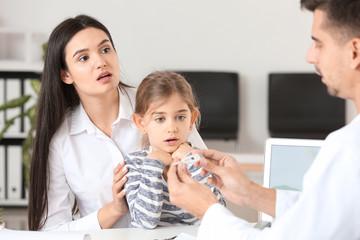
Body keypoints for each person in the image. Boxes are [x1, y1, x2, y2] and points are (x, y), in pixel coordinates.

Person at [167, 0, 360, 239]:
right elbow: (322, 216)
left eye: (318, 43)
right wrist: (249, 192)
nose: (310, 56)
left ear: (354, 52)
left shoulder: (348, 150)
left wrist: (206, 210)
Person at [28, 15, 206, 231]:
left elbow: (209, 186)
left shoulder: (159, 105)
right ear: (65, 75)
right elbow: (51, 231)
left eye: (105, 49)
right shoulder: (58, 137)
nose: (101, 62)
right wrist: (114, 209)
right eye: (83, 58)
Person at [124, 71, 225, 229]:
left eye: (180, 117)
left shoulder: (201, 160)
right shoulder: (135, 163)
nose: (172, 128)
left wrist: (192, 160)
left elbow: (217, 214)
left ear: (191, 120)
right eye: (160, 119)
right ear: (141, 123)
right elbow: (145, 222)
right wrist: (153, 164)